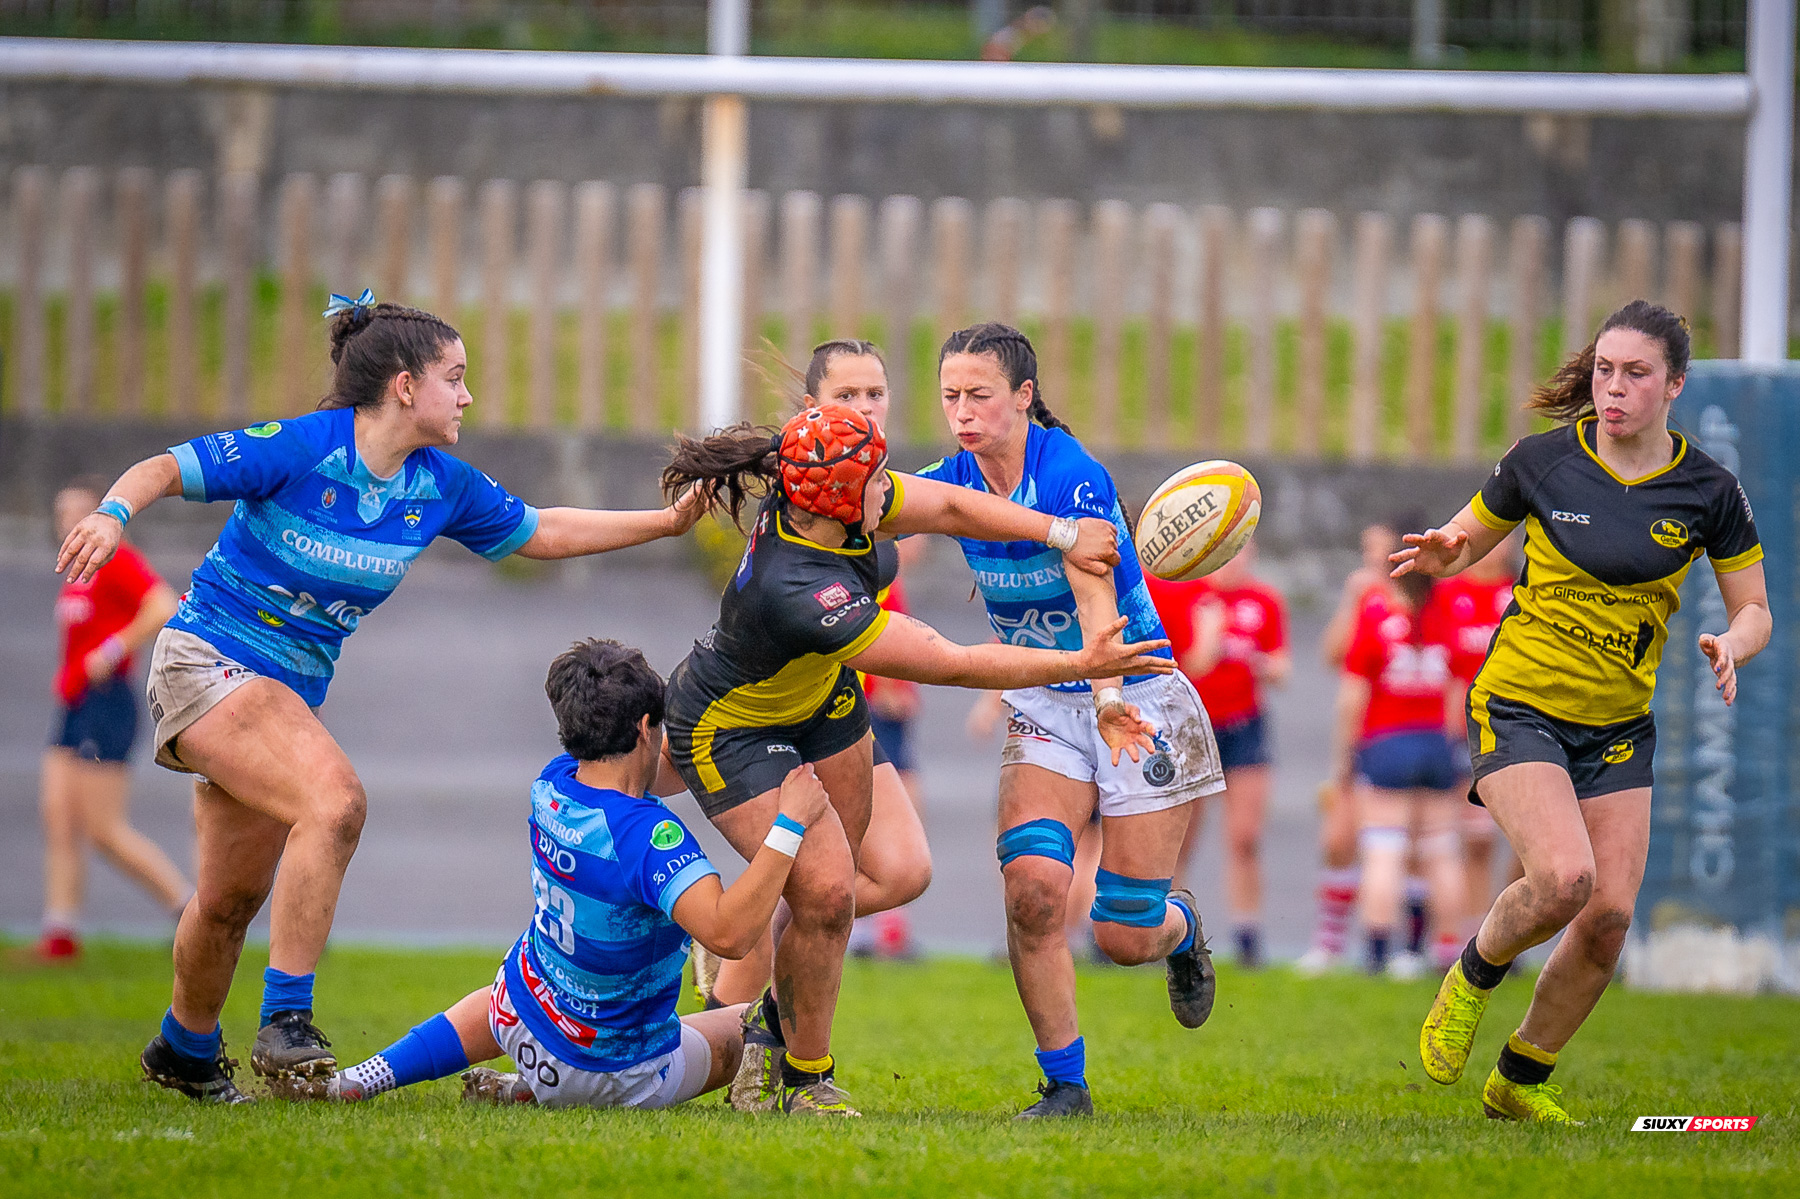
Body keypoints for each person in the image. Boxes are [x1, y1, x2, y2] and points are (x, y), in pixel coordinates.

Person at [57, 293, 706, 1104]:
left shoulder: (441, 485)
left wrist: (666, 524)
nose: (468, 396)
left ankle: (185, 1050)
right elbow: (165, 467)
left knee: (228, 902)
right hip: (208, 663)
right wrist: (115, 513)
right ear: (405, 387)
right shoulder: (301, 447)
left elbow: (542, 532)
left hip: (283, 696)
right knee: (335, 802)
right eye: (456, 378)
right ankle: (287, 1022)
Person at [658, 398, 1171, 1117]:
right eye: (873, 481)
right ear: (838, 499)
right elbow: (951, 661)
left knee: (892, 870)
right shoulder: (801, 589)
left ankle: (770, 1019)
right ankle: (804, 1072)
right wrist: (1080, 660)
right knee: (830, 890)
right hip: (732, 727)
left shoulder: (836, 499)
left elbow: (957, 509)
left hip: (820, 701)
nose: (888, 487)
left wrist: (1063, 532)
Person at [1405, 301, 1770, 1123]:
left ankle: (1519, 1080)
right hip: (1520, 704)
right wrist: (1445, 551)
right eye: (1604, 370)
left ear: (1674, 384)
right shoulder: (1542, 461)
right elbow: (1464, 536)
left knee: (1607, 918)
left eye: (1636, 374)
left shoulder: (1710, 489)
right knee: (1566, 878)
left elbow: (1757, 609)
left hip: (1618, 727)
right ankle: (1474, 970)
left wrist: (1731, 645)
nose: (1614, 388)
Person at [288, 640, 830, 1110]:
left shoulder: (554, 783)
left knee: (519, 979)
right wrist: (789, 823)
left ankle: (366, 1077)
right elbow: (731, 934)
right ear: (645, 728)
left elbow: (649, 777)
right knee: (754, 1027)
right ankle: (548, 1086)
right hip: (612, 1074)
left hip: (523, 1021)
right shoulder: (648, 837)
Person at [917, 322, 1225, 1119]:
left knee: (1122, 932)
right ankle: (1065, 1086)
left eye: (979, 395)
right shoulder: (954, 473)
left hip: (1134, 696)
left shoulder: (1070, 474)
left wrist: (1111, 700)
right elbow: (885, 510)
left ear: (1023, 396)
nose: (962, 411)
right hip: (1047, 701)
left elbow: (1095, 595)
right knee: (1033, 888)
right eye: (950, 395)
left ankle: (1182, 929)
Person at [696, 341, 934, 1004]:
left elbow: (902, 567)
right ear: (810, 410)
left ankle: (744, 949)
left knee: (901, 870)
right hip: (762, 710)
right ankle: (735, 1014)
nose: (865, 407)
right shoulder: (807, 496)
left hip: (835, 705)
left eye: (875, 394)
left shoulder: (871, 485)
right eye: (847, 396)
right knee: (816, 884)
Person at [38, 477, 191, 961]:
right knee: (59, 815)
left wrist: (114, 648)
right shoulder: (78, 573)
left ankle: (187, 909)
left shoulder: (117, 560)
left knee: (103, 827)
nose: (69, 523)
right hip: (74, 703)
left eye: (79, 513)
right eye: (63, 514)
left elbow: (163, 603)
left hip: (107, 703)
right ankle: (60, 932)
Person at [1146, 539, 1289, 968]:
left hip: (1244, 726)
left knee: (1245, 838)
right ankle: (1167, 932)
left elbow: (1282, 667)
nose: (1235, 562)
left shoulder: (1264, 600)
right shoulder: (1184, 595)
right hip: (1190, 727)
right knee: (1180, 841)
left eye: (1242, 552)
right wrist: (1209, 639)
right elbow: (1177, 669)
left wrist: (1259, 661)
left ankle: (1247, 936)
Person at [1332, 568, 1471, 979]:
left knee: (1383, 851)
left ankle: (1378, 953)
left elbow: (1351, 697)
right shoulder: (1447, 613)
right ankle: (1448, 951)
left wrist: (1346, 758)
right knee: (1442, 852)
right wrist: (1452, 748)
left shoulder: (1376, 615)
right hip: (1435, 742)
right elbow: (1459, 688)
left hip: (1386, 741)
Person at [1297, 520, 1401, 974]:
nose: (1373, 558)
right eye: (1368, 548)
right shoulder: (1366, 600)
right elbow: (1332, 655)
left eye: (1381, 548)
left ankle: (1405, 948)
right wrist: (1351, 601)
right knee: (1338, 838)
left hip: (1399, 738)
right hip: (1360, 735)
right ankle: (1330, 943)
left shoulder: (1418, 599)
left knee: (1406, 848)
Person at [1435, 530, 1524, 941]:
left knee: (1526, 843)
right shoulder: (1449, 595)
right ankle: (1477, 932)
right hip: (1467, 733)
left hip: (1519, 730)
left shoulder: (1520, 594)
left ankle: (1510, 927)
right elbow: (1448, 671)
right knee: (1476, 839)